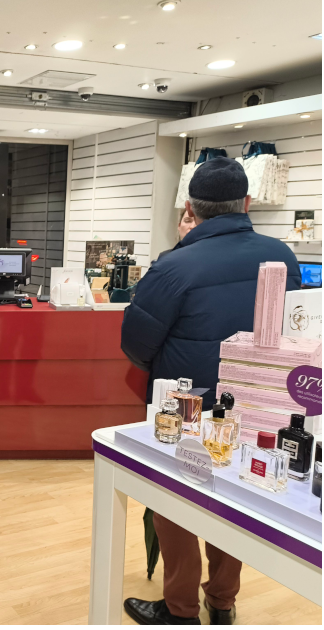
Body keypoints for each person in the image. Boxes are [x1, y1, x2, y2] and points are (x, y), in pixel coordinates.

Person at [121, 157, 301, 626]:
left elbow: (136, 343)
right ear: (247, 202)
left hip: (185, 405)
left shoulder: (174, 264)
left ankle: (179, 610)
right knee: (233, 498)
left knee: (175, 498)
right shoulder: (282, 255)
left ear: (190, 207)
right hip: (257, 403)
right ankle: (222, 602)